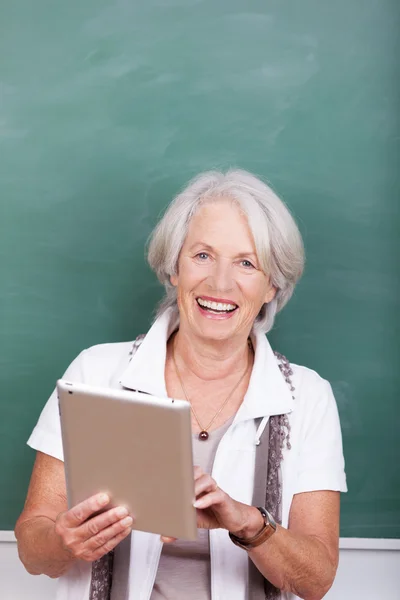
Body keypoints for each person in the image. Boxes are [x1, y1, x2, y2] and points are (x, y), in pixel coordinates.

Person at [15, 169, 347, 600]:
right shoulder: (93, 374)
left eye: (247, 263)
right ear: (174, 268)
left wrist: (246, 524)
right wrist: (63, 543)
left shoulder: (308, 398)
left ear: (272, 286)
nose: (220, 283)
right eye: (203, 256)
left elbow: (317, 579)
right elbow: (31, 549)